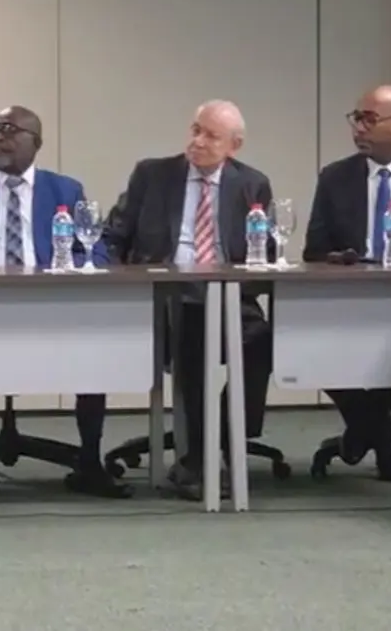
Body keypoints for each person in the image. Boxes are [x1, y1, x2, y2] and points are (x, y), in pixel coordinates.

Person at [0, 105, 127, 501]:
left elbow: (94, 252)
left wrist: (65, 277)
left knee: (95, 350)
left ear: (36, 142)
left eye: (10, 129)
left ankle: (89, 462)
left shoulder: (66, 191)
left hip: (54, 309)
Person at [104, 99, 274, 501]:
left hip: (230, 294)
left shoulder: (252, 184)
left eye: (211, 136)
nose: (197, 141)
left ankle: (225, 438)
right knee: (195, 334)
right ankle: (198, 458)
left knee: (264, 340)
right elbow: (114, 235)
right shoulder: (153, 175)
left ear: (234, 145)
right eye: (195, 130)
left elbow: (262, 252)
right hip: (167, 295)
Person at [303, 84, 391, 479]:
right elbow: (313, 252)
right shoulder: (335, 178)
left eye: (370, 120)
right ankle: (380, 427)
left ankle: (365, 427)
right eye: (356, 119)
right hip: (350, 304)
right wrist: (339, 260)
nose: (359, 128)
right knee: (301, 340)